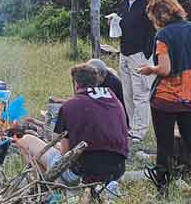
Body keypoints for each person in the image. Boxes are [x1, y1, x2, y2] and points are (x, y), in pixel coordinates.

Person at [137, 0, 191, 202]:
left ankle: (162, 194)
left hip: (167, 100)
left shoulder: (163, 36)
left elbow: (165, 69)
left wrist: (150, 69)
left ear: (158, 16)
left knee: (164, 147)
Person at [15, 62, 130, 190]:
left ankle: (44, 192)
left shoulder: (70, 106)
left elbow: (65, 153)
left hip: (81, 173)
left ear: (76, 84)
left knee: (25, 141)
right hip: (116, 171)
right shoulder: (114, 100)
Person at [113, 0, 152, 142]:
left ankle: (139, 130)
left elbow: (154, 29)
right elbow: (124, 25)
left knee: (140, 93)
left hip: (140, 54)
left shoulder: (148, 3)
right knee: (127, 93)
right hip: (124, 52)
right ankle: (131, 126)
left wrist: (147, 53)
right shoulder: (123, 4)